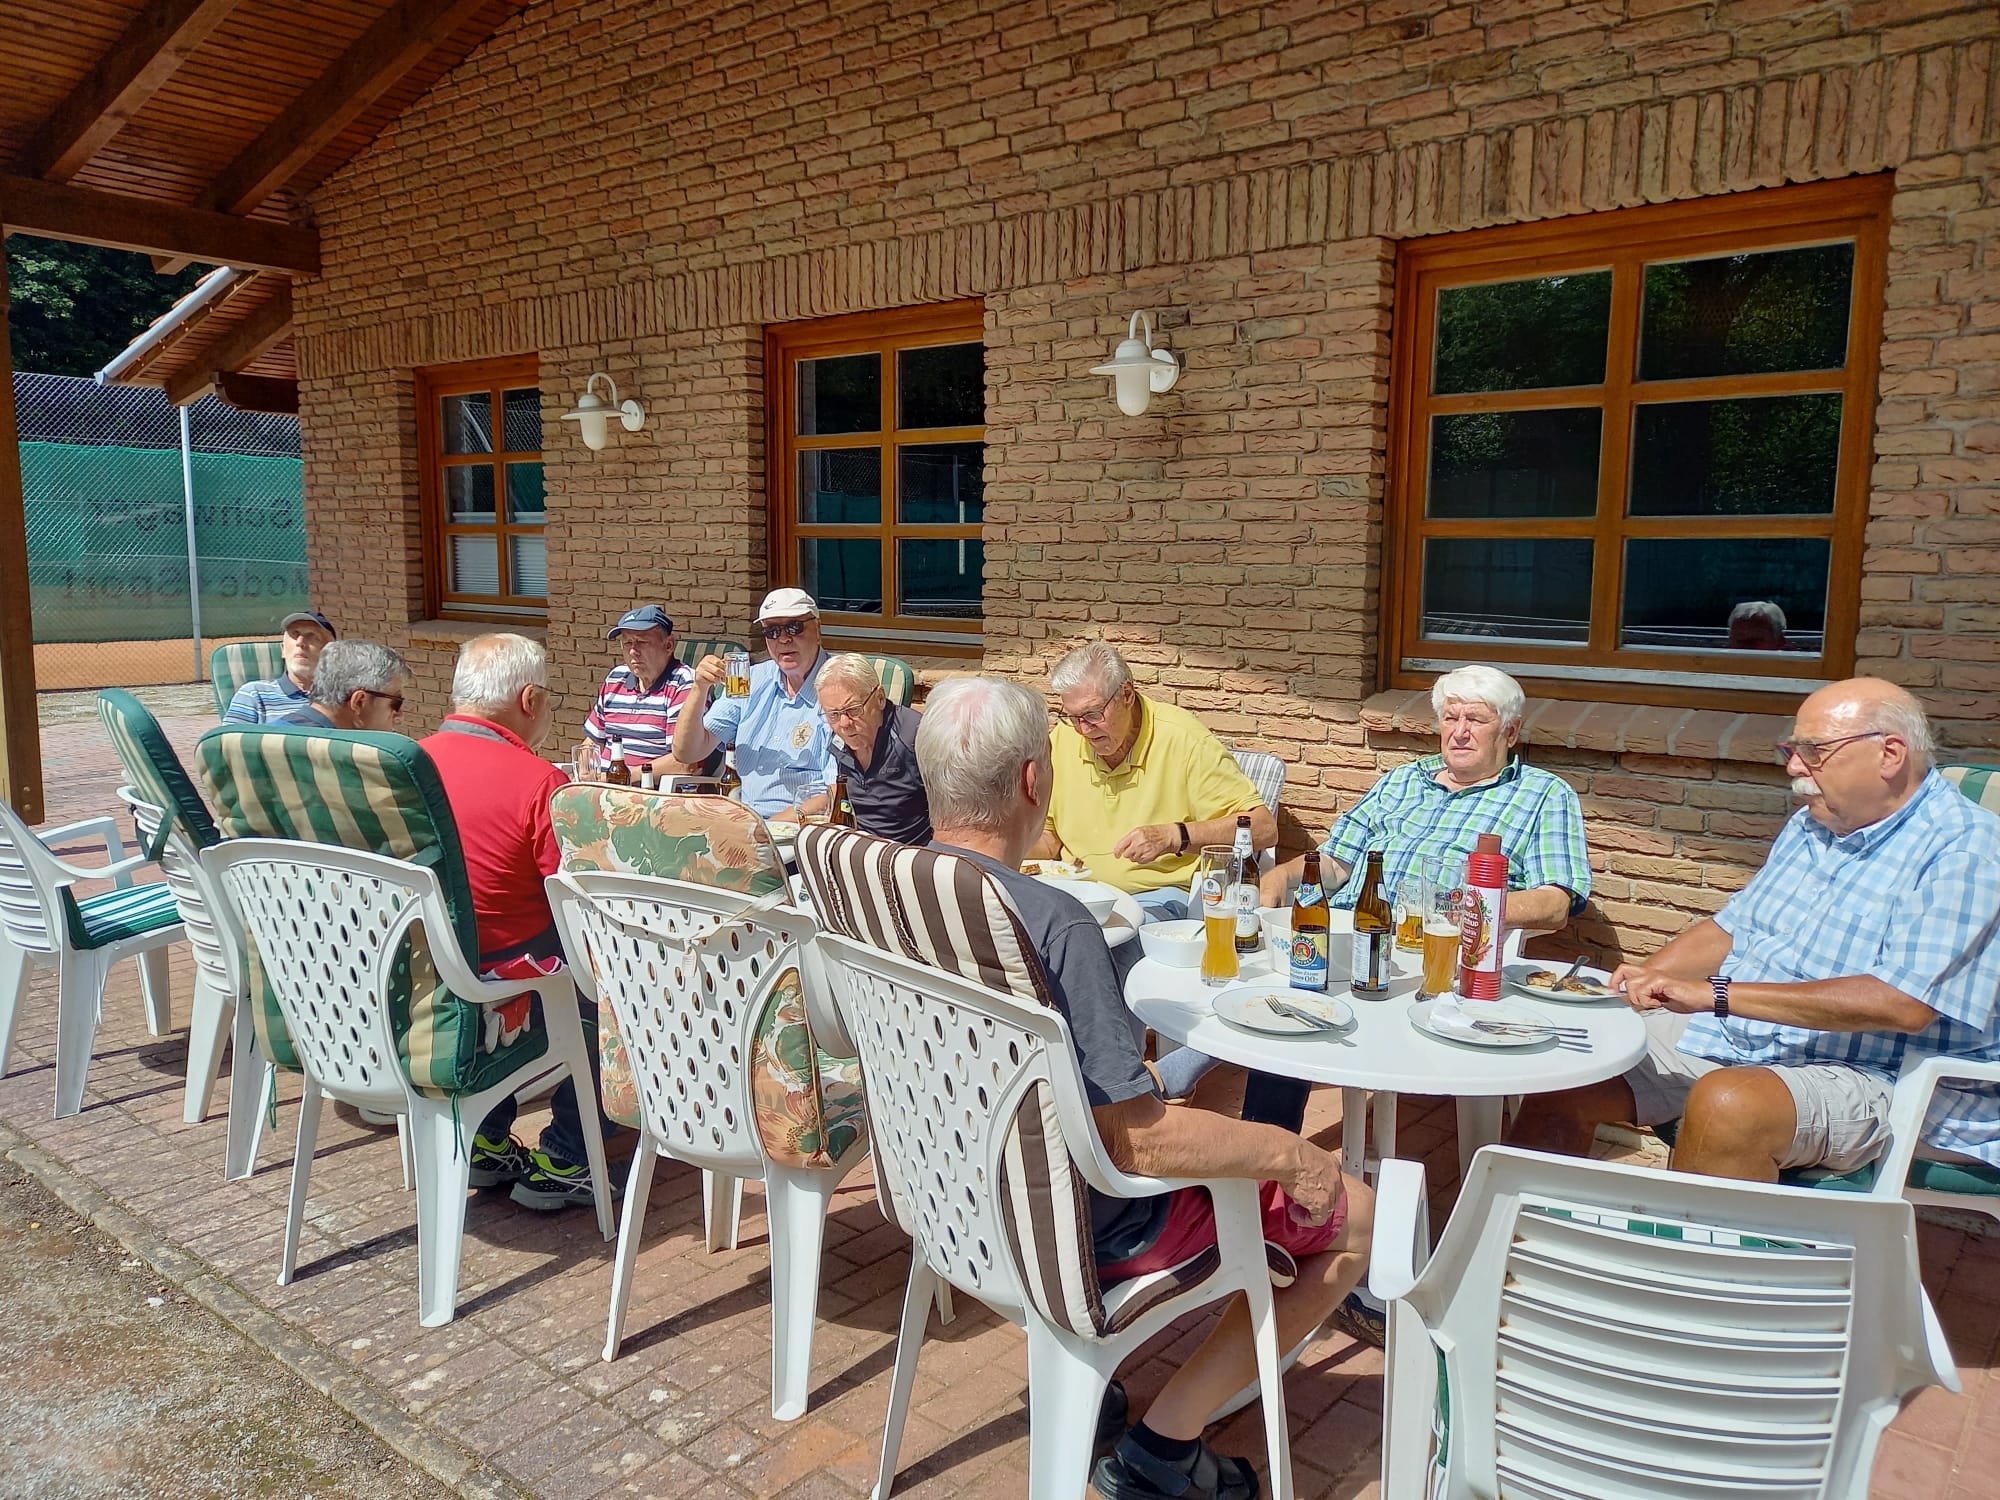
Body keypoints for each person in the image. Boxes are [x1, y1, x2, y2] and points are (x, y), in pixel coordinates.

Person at [915, 677, 1371, 1500]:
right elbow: (1137, 1142)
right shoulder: (1052, 924)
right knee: (1359, 1217)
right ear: (1030, 781)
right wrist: (1292, 1153)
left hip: (950, 1199)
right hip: (1078, 1227)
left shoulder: (877, 886)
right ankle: (1164, 1447)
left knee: (1180, 1110)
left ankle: (1101, 1393)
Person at [1511, 679, 2000, 1184]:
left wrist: (1716, 995)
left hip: (1887, 1074)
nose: (1794, 767)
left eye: (1814, 750)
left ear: (1889, 753)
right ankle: (1519, 1243)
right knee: (1571, 1058)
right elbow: (1733, 929)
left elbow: (1903, 1003)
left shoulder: (1964, 850)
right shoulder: (1815, 824)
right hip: (1754, 1038)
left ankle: (1697, 1257)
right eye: (1792, 749)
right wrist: (1640, 981)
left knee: (1729, 1104)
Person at [419, 633, 618, 1212]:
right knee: (619, 980)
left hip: (422, 975)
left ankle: (485, 1140)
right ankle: (568, 1156)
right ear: (529, 700)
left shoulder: (405, 764)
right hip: (505, 985)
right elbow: (580, 904)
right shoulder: (539, 783)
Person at [1030, 641, 1273, 917]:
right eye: (1072, 717)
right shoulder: (1063, 739)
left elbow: (1264, 828)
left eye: (1093, 714)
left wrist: (1175, 836)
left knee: (1093, 948)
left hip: (1158, 900)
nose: (1083, 729)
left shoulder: (1184, 740)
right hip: (1076, 894)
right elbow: (1049, 841)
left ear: (1127, 694)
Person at [672, 587, 835, 820]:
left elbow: (836, 790)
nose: (784, 638)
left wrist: (766, 830)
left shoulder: (839, 688)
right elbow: (687, 752)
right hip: (745, 818)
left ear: (817, 629)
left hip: (807, 827)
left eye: (794, 627)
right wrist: (699, 688)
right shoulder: (749, 681)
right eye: (772, 631)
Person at [818, 653, 930, 843]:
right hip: (858, 851)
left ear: (879, 698)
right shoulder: (838, 739)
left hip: (907, 857)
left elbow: (952, 816)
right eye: (833, 714)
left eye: (853, 710)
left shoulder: (915, 736)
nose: (844, 723)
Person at [582, 604, 698, 776]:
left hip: (646, 791)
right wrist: (583, 774)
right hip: (602, 786)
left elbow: (684, 763)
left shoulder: (683, 683)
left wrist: (620, 778)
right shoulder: (616, 678)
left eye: (642, 642)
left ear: (668, 645)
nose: (633, 651)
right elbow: (592, 743)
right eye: (627, 642)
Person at [223, 609, 336, 723]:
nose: (300, 642)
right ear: (283, 650)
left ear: (331, 652)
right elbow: (227, 740)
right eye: (294, 634)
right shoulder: (254, 695)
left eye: (311, 635)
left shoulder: (345, 700)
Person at [277, 640, 409, 732]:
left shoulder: (263, 736)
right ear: (358, 702)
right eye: (396, 703)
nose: (399, 717)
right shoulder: (346, 759)